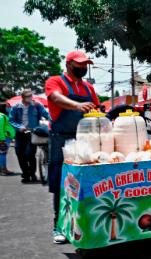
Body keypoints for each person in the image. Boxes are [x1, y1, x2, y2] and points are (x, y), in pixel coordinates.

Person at [45, 50, 99, 244]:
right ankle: (58, 226)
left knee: (86, 180)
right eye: (80, 65)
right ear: (69, 65)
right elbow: (56, 98)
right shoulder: (55, 81)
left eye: (86, 65)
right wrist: (77, 106)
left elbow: (97, 107)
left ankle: (83, 222)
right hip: (61, 139)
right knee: (62, 182)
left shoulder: (88, 87)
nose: (83, 68)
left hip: (85, 140)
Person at [9, 89, 51, 183]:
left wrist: (52, 120)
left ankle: (32, 174)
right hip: (20, 133)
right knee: (19, 153)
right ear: (23, 97)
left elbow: (46, 114)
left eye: (31, 96)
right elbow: (11, 120)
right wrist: (19, 127)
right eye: (28, 97)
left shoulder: (37, 105)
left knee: (30, 154)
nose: (30, 98)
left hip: (32, 132)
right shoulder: (16, 107)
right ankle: (26, 174)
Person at [0, 103, 15, 175]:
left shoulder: (3, 116)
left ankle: (3, 169)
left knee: (2, 153)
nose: (9, 108)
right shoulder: (1, 116)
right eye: (7, 107)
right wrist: (2, 139)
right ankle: (3, 169)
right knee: (2, 153)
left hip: (6, 137)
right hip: (4, 138)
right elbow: (0, 128)